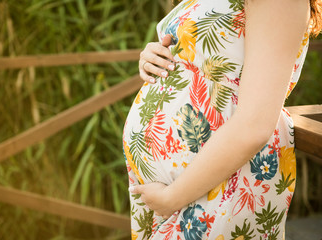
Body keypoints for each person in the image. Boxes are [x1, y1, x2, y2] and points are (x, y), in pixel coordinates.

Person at [122, 0, 321, 239]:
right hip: (177, 191)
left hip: (217, 183)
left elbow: (255, 125)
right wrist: (157, 55)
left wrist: (172, 197)